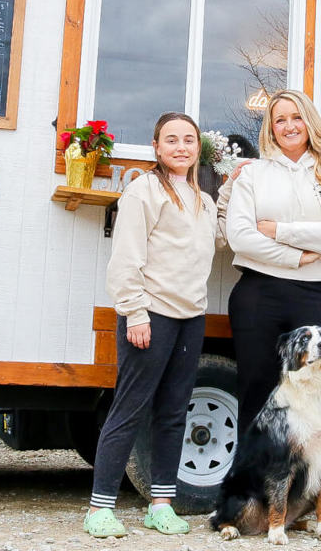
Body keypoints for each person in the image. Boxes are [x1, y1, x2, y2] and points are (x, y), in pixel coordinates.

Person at [221, 88, 321, 539]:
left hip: (317, 294)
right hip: (259, 293)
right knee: (258, 399)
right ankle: (249, 502)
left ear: (309, 122)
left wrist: (280, 231)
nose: (288, 126)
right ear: (269, 127)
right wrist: (298, 254)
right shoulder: (253, 174)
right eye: (279, 120)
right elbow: (240, 236)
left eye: (296, 117)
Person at [84, 112, 218, 538]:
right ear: (157, 148)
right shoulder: (143, 190)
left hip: (190, 317)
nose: (181, 147)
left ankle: (161, 503)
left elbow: (222, 238)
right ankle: (99, 509)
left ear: (199, 148)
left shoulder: (204, 199)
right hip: (150, 315)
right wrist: (134, 311)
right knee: (129, 409)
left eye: (189, 140)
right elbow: (126, 257)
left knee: (174, 412)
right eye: (171, 140)